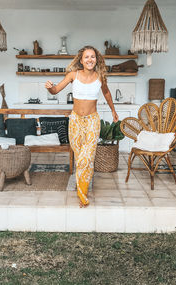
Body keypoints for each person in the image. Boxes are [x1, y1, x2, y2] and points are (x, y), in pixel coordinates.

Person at [45, 45, 118, 207]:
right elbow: (56, 90)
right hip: (75, 121)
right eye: (87, 57)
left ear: (96, 59)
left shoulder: (100, 77)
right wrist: (50, 88)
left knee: (86, 157)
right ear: (81, 60)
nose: (90, 59)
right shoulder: (73, 75)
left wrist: (113, 110)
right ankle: (83, 184)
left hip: (92, 121)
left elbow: (106, 93)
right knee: (80, 158)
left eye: (93, 57)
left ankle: (82, 194)